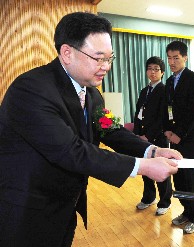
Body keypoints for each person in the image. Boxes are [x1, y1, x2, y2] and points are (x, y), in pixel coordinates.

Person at [0, 12, 182, 247]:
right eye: (98, 58)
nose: (106, 67)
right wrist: (143, 167)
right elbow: (71, 151)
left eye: (109, 58)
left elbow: (111, 131)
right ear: (67, 53)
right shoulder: (32, 90)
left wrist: (152, 151)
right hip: (27, 209)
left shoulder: (92, 94)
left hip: (65, 206)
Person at [163, 40, 194, 234]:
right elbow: (167, 109)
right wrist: (168, 131)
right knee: (179, 178)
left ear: (185, 58)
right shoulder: (170, 81)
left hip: (189, 139)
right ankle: (187, 211)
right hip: (174, 138)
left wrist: (180, 134)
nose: (172, 62)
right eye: (169, 58)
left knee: (192, 178)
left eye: (176, 58)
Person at [133, 56, 172, 216]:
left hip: (157, 139)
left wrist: (148, 136)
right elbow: (138, 114)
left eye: (156, 69)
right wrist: (137, 134)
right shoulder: (144, 91)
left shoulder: (164, 90)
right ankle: (149, 197)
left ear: (162, 72)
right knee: (147, 170)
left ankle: (165, 201)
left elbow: (162, 118)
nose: (153, 72)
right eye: (150, 68)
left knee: (162, 170)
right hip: (142, 138)